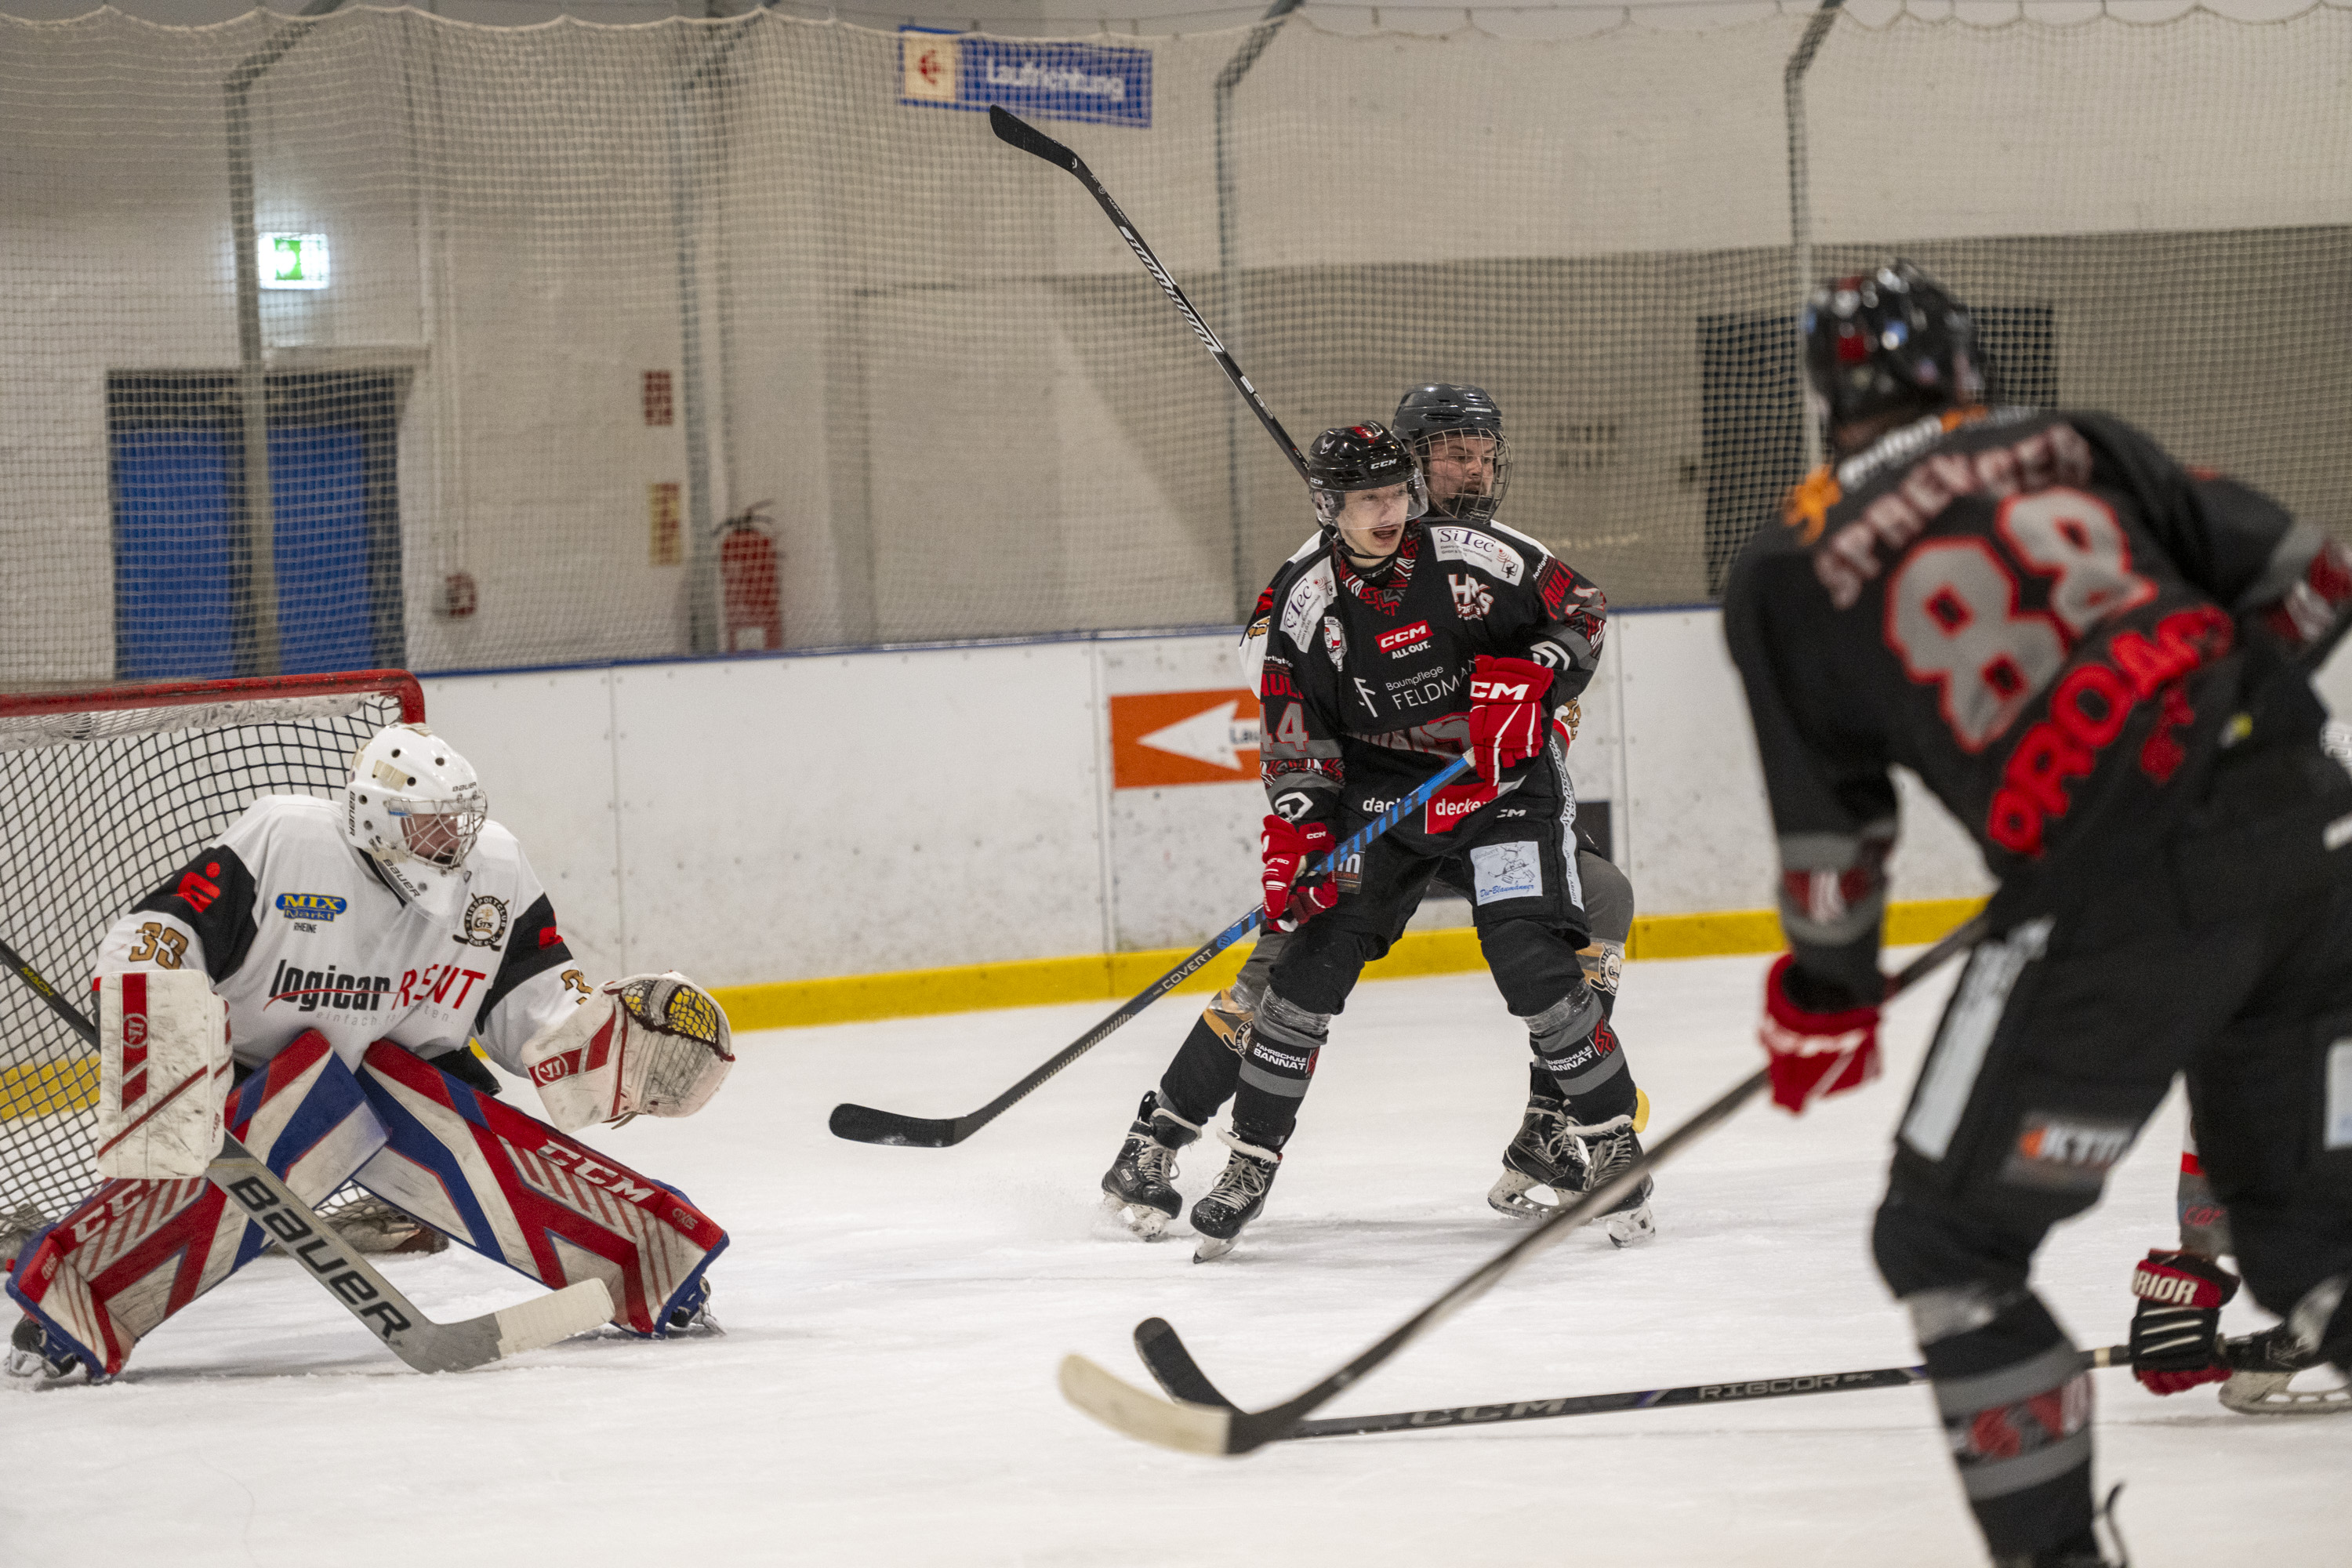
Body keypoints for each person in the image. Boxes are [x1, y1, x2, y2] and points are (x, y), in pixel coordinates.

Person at [1726, 260, 2352, 1566]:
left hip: (2116, 897)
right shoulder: (2076, 440)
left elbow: (1834, 845)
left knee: (1942, 1237)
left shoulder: (1787, 565)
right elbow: (2312, 580)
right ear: (1969, 364)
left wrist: (1829, 989)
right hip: (2310, 832)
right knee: (2312, 1248)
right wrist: (2190, 729)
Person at [5, 723, 734, 1384]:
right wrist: (156, 1007)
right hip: (267, 1087)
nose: (451, 842)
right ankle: (72, 1303)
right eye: (429, 827)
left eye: (459, 824)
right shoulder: (286, 843)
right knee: (308, 1092)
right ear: (373, 818)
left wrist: (606, 1040)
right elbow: (162, 930)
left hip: (402, 1079)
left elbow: (535, 998)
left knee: (455, 1129)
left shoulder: (496, 875)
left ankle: (649, 1264)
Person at [1102, 386, 1641, 1242]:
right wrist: (1308, 822)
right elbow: (1280, 690)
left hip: (1481, 800)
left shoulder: (1487, 553)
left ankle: (1552, 1125)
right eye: (1455, 453)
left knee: (1596, 905)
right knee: (1289, 967)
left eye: (1484, 451)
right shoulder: (1308, 585)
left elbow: (1574, 624)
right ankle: (1159, 1135)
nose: (1476, 466)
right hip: (1373, 804)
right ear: (1411, 462)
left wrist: (1529, 688)